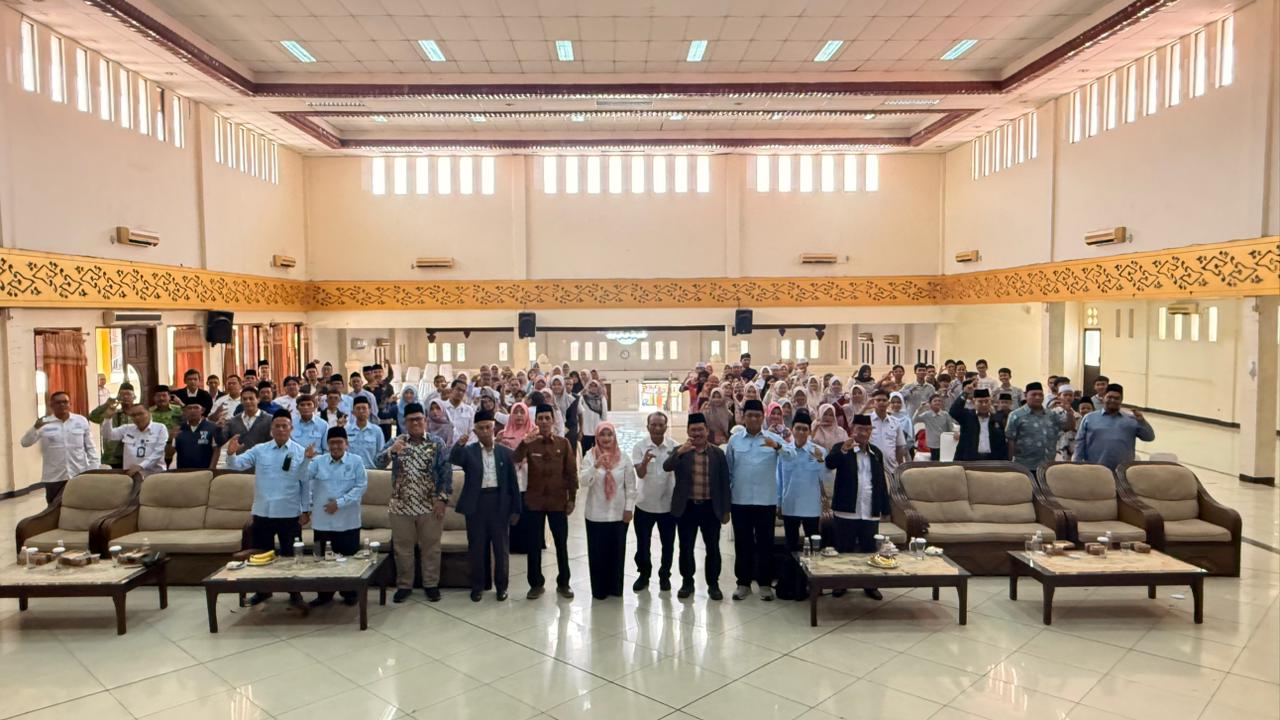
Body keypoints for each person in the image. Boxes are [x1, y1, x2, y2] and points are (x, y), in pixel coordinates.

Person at [225, 409, 316, 609]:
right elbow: (236, 465)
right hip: (263, 512)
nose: (281, 429)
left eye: (285, 426)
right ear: (271, 429)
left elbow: (305, 484)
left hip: (289, 513)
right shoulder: (260, 450)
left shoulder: (301, 452)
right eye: (277, 426)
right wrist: (231, 453)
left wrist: (306, 510)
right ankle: (262, 591)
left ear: (291, 428)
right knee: (261, 555)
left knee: (291, 555)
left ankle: (294, 591)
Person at [377, 402, 453, 603]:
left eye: (419, 419)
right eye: (411, 420)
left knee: (431, 548)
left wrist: (442, 499)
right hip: (401, 506)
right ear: (405, 422)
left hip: (430, 506)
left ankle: (431, 585)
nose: (416, 423)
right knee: (402, 549)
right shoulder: (397, 441)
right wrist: (391, 451)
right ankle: (404, 586)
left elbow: (446, 473)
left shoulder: (437, 443)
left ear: (425, 420)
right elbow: (378, 462)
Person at [451, 409, 521, 602]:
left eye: (488, 427)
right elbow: (454, 458)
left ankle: (502, 587)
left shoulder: (504, 453)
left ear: (494, 428)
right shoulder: (469, 452)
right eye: (480, 428)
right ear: (475, 430)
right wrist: (459, 444)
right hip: (477, 505)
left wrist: (516, 508)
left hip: (499, 504)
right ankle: (477, 586)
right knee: (477, 548)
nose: (485, 431)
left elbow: (513, 483)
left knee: (501, 549)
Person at [514, 404, 578, 600]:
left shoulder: (563, 443)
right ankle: (535, 584)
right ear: (536, 421)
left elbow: (571, 472)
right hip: (534, 501)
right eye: (540, 418)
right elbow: (514, 459)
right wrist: (523, 443)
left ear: (553, 420)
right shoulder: (530, 443)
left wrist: (572, 498)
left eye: (547, 418)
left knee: (561, 543)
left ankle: (564, 583)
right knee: (533, 544)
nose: (543, 421)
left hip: (558, 501)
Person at [725, 398, 786, 602]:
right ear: (743, 417)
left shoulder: (773, 439)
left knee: (765, 544)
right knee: (743, 544)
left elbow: (790, 457)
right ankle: (743, 583)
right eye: (749, 415)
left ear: (763, 417)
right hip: (740, 500)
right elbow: (729, 470)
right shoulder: (735, 441)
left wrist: (778, 446)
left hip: (766, 501)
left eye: (757, 415)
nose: (753, 419)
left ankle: (765, 584)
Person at [664, 412, 729, 601]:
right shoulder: (680, 450)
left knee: (713, 548)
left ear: (707, 431)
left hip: (710, 508)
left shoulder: (717, 453)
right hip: (687, 508)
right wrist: (680, 452)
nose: (697, 433)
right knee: (686, 547)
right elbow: (666, 466)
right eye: (693, 430)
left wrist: (726, 510)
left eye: (700, 429)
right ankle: (687, 582)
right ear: (688, 431)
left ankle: (713, 584)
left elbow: (725, 482)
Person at [824, 414, 889, 600]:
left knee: (869, 549)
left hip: (869, 510)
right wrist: (843, 450)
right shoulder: (842, 447)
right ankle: (841, 583)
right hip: (847, 510)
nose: (864, 433)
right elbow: (829, 463)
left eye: (867, 430)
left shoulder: (876, 452)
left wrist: (885, 508)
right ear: (853, 430)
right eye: (860, 429)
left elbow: (880, 482)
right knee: (844, 549)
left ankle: (870, 584)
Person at [305, 426, 368, 607]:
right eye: (332, 443)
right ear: (327, 445)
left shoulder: (356, 461)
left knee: (348, 560)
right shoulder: (318, 462)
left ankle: (349, 593)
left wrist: (339, 503)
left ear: (346, 444)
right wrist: (305, 460)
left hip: (348, 521)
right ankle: (324, 594)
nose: (335, 446)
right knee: (321, 560)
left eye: (339, 442)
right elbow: (303, 477)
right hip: (322, 523)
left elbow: (361, 487)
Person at [579, 423, 636, 601]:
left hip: (618, 514)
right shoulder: (590, 456)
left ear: (614, 437)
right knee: (597, 554)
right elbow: (583, 481)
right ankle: (599, 590)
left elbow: (631, 487)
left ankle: (615, 588)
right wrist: (596, 465)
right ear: (597, 437)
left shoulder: (624, 457)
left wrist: (629, 509)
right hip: (595, 514)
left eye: (609, 435)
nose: (606, 438)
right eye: (602, 435)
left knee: (617, 553)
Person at [776, 410, 827, 601]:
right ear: (792, 429)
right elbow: (779, 480)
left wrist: (820, 461)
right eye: (798, 428)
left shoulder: (818, 451)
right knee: (791, 547)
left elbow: (826, 477)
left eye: (805, 429)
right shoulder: (784, 451)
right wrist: (779, 503)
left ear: (809, 431)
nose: (801, 432)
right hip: (790, 504)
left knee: (813, 546)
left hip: (811, 506)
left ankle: (811, 585)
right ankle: (790, 586)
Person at [630, 412, 679, 593]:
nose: (657, 428)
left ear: (666, 427)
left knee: (668, 544)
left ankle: (665, 575)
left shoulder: (674, 447)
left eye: (661, 425)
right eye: (653, 425)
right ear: (647, 426)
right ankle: (644, 574)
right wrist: (644, 462)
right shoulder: (639, 447)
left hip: (667, 505)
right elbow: (640, 474)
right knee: (643, 544)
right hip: (644, 504)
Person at [22, 391, 95, 504]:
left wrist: (93, 467)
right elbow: (25, 443)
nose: (62, 405)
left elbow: (90, 447)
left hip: (78, 474)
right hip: (54, 478)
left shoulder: (81, 421)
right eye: (58, 402)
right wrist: (35, 428)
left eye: (65, 402)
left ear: (70, 404)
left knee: (80, 506)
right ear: (51, 405)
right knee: (54, 510)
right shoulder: (44, 424)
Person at [1074, 383, 1156, 470]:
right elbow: (1080, 443)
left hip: (1122, 471)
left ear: (1121, 400)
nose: (1112, 400)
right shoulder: (1089, 418)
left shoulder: (1131, 419)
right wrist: (1077, 466)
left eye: (1117, 398)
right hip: (1095, 469)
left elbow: (1149, 437)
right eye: (1109, 397)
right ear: (1103, 398)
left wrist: (1142, 422)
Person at [1005, 381, 1074, 473]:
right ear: (1025, 395)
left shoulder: (1051, 414)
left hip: (1048, 466)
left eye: (1040, 395)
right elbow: (1011, 441)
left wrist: (1069, 412)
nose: (1038, 397)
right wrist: (1010, 465)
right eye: (1034, 395)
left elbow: (1069, 427)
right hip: (1024, 466)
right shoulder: (1016, 415)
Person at [104, 404, 170, 477]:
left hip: (154, 474)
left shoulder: (160, 428)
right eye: (133, 415)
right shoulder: (127, 429)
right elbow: (108, 435)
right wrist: (108, 418)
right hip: (131, 473)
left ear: (149, 413)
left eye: (140, 414)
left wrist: (141, 466)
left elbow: (159, 452)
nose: (137, 417)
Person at [949, 386, 1008, 461]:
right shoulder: (967, 416)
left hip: (992, 460)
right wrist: (965, 393)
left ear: (990, 402)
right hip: (969, 459)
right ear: (974, 402)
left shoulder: (997, 419)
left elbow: (1002, 443)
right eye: (980, 402)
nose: (984, 405)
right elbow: (954, 411)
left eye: (986, 401)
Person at [90, 382, 136, 469]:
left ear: (134, 397)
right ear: (118, 396)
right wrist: (106, 404)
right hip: (111, 458)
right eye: (122, 394)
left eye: (128, 394)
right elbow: (93, 417)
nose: (125, 397)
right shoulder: (111, 413)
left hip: (133, 457)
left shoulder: (139, 415)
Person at [867, 390, 909, 478]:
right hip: (870, 469)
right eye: (878, 400)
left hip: (891, 469)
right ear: (873, 402)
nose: (881, 402)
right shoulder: (866, 421)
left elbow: (899, 448)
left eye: (884, 400)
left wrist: (899, 468)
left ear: (888, 403)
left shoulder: (895, 422)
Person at [219, 386, 272, 451]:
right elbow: (221, 441)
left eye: (251, 398)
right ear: (241, 401)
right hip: (240, 457)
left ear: (258, 400)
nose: (248, 401)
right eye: (244, 399)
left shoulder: (269, 420)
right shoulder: (233, 421)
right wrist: (219, 428)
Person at [172, 399, 219, 470]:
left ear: (202, 410)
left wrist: (212, 468)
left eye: (196, 407)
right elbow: (171, 452)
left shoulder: (212, 427)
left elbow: (216, 450)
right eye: (189, 408)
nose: (192, 410)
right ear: (184, 411)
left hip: (204, 471)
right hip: (183, 471)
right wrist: (170, 440)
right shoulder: (179, 428)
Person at [913, 394, 957, 461]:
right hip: (933, 444)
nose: (937, 402)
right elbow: (914, 420)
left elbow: (950, 428)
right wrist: (919, 409)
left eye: (939, 401)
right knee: (935, 461)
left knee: (945, 460)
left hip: (945, 442)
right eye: (935, 401)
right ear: (930, 403)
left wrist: (954, 434)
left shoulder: (945, 414)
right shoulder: (926, 415)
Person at [345, 396, 384, 469]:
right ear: (353, 412)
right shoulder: (346, 430)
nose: (361, 411)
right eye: (358, 408)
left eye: (364, 408)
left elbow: (381, 454)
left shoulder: (377, 431)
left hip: (371, 471)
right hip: (351, 470)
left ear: (370, 410)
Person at [579, 379, 608, 454]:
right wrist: (581, 392)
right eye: (591, 386)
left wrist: (604, 430)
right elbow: (577, 405)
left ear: (598, 387)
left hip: (598, 430)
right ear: (587, 387)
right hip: (585, 431)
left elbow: (604, 415)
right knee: (585, 453)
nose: (593, 388)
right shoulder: (583, 397)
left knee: (598, 453)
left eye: (595, 386)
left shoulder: (602, 398)